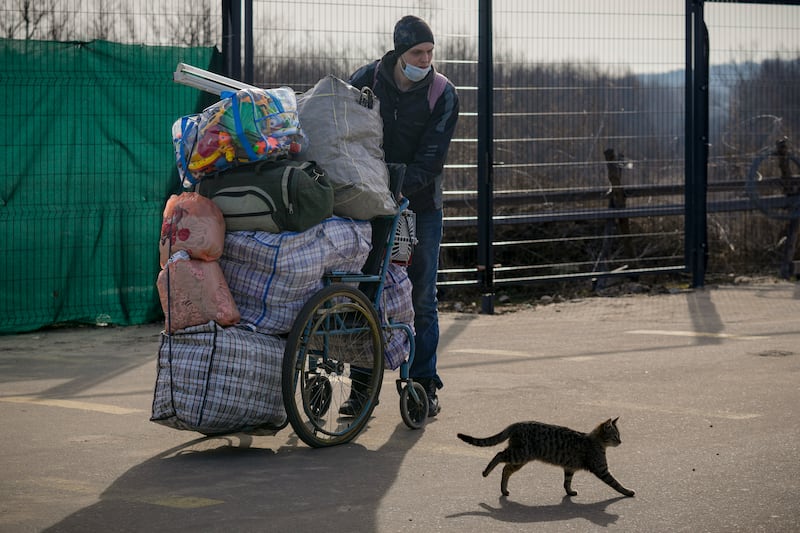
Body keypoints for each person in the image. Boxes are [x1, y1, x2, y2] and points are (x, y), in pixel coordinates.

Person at [340, 15, 460, 417]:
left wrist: (400, 189)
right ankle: (362, 390)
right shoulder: (367, 79)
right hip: (369, 203)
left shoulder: (443, 93)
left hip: (419, 206)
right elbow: (343, 130)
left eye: (429, 53)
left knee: (422, 297)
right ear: (398, 51)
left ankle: (424, 384)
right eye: (416, 53)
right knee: (365, 292)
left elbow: (432, 156)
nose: (425, 60)